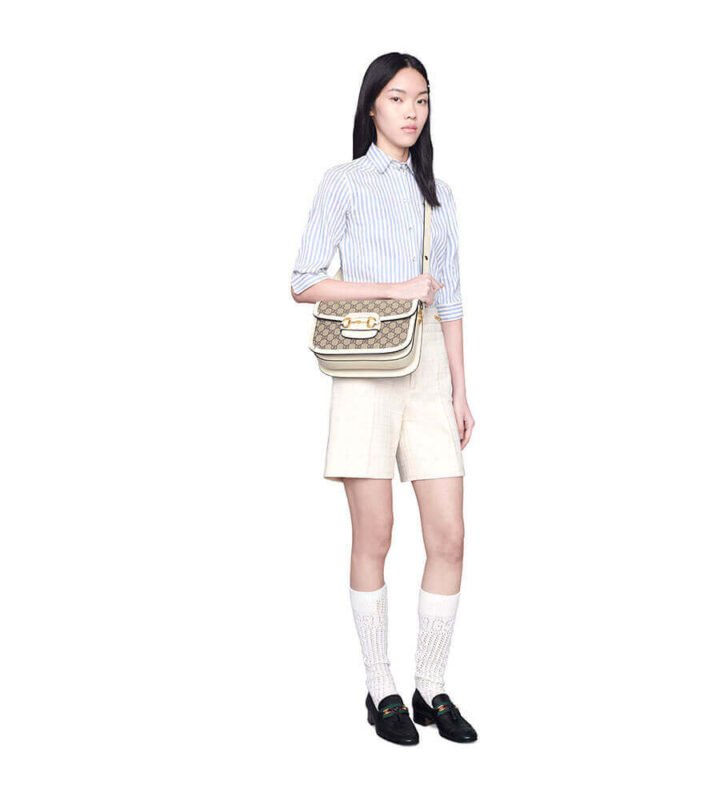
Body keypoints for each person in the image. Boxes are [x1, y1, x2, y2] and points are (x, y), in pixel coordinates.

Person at [290, 53, 478, 745]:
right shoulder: (342, 182)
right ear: (371, 105)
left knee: (449, 536)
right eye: (397, 98)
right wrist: (393, 289)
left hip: (427, 368)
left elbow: (451, 300)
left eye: (421, 99)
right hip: (367, 362)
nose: (411, 111)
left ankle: (432, 686)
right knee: (376, 534)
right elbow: (303, 280)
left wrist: (460, 390)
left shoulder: (439, 195)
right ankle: (381, 687)